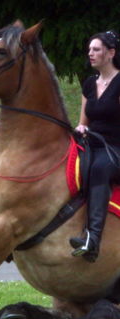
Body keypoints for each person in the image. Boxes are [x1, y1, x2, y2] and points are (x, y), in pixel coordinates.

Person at [69, 30, 120, 262]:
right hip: (91, 144)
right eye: (89, 50)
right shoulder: (89, 84)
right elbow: (83, 122)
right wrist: (81, 129)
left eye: (96, 49)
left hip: (115, 148)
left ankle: (92, 240)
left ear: (111, 53)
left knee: (99, 168)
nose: (90, 54)